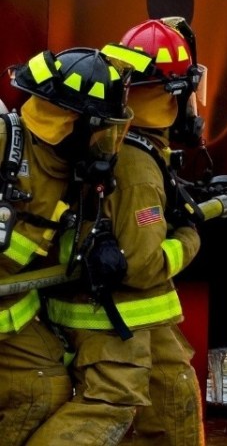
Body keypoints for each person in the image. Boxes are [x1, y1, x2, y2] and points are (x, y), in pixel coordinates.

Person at [28, 17, 207, 446]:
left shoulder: (117, 144)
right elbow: (144, 265)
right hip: (116, 316)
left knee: (173, 394)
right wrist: (190, 235)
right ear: (174, 94)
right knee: (108, 406)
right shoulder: (138, 164)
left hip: (130, 316)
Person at [0, 47, 133, 446]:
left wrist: (102, 242)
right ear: (73, 122)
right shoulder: (5, 143)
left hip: (10, 312)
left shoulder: (71, 170)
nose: (106, 143)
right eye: (102, 130)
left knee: (44, 386)